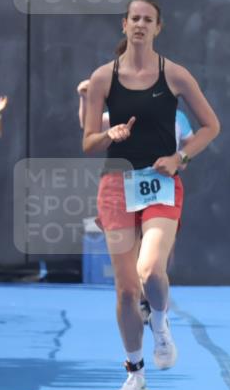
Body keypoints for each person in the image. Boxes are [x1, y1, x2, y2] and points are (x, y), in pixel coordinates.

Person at [82, 0, 220, 390]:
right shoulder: (102, 79)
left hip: (160, 183)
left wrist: (180, 158)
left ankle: (160, 323)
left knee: (150, 270)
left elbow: (211, 125)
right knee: (126, 290)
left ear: (158, 28)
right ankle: (135, 372)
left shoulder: (174, 75)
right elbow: (89, 141)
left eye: (148, 20)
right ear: (123, 25)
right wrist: (110, 134)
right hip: (116, 185)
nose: (140, 25)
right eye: (134, 19)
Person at [78, 77, 194, 324]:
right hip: (127, 186)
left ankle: (154, 292)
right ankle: (142, 299)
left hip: (161, 186)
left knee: (158, 254)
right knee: (135, 248)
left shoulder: (179, 119)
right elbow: (89, 126)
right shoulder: (122, 113)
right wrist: (85, 99)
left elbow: (189, 151)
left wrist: (178, 161)